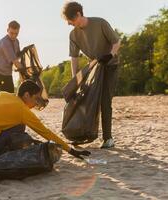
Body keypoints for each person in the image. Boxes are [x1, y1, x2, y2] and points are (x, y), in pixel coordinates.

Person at [0, 80, 90, 163]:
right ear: (27, 95)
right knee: (19, 129)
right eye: (35, 98)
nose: (36, 103)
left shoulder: (2, 94)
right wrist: (71, 151)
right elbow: (46, 133)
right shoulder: (22, 111)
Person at [62, 1, 121, 148]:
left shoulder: (100, 23)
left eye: (71, 20)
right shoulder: (73, 35)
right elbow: (74, 59)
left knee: (105, 101)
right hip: (94, 68)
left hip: (110, 66)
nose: (69, 24)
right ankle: (82, 133)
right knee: (84, 98)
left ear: (78, 14)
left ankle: (108, 139)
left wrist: (110, 55)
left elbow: (117, 41)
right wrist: (75, 80)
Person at [0, 20, 23, 100]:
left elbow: (17, 57)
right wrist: (24, 69)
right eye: (11, 33)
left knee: (10, 97)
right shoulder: (5, 42)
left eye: (16, 33)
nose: (14, 36)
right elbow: (15, 61)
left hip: (7, 74)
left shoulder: (16, 42)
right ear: (7, 30)